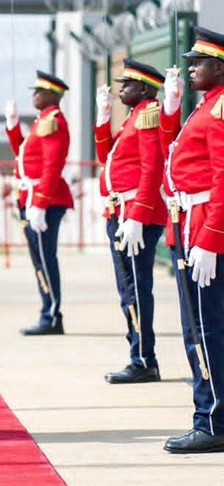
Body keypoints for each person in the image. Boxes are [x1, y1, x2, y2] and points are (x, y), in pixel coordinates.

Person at [160, 26, 224, 454]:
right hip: (190, 222)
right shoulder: (208, 106)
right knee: (201, 327)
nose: (192, 68)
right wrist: (170, 109)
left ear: (219, 66)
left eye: (199, 63)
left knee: (203, 331)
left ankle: (211, 420)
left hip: (204, 225)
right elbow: (176, 154)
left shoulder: (220, 109)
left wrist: (211, 238)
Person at [95, 60, 167, 384]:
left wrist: (137, 215)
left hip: (134, 215)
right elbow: (105, 156)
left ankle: (143, 359)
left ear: (144, 89)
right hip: (121, 213)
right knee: (129, 290)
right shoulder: (133, 118)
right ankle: (139, 356)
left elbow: (153, 168)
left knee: (136, 291)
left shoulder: (148, 113)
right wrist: (103, 116)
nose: (121, 89)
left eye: (127, 85)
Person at [4, 71, 73, 335]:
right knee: (39, 260)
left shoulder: (53, 120)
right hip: (31, 198)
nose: (34, 95)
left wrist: (41, 204)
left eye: (38, 91)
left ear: (52, 95)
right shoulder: (41, 121)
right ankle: (48, 311)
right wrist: (12, 126)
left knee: (45, 258)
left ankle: (52, 314)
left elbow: (52, 165)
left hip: (45, 199)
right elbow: (24, 154)